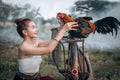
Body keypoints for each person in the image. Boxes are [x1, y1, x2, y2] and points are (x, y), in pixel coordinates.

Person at [13, 18, 78, 80]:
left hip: (35, 77)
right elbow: (49, 49)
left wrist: (61, 28)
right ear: (25, 32)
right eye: (33, 27)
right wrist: (63, 30)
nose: (36, 29)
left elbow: (53, 42)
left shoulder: (36, 42)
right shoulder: (24, 48)